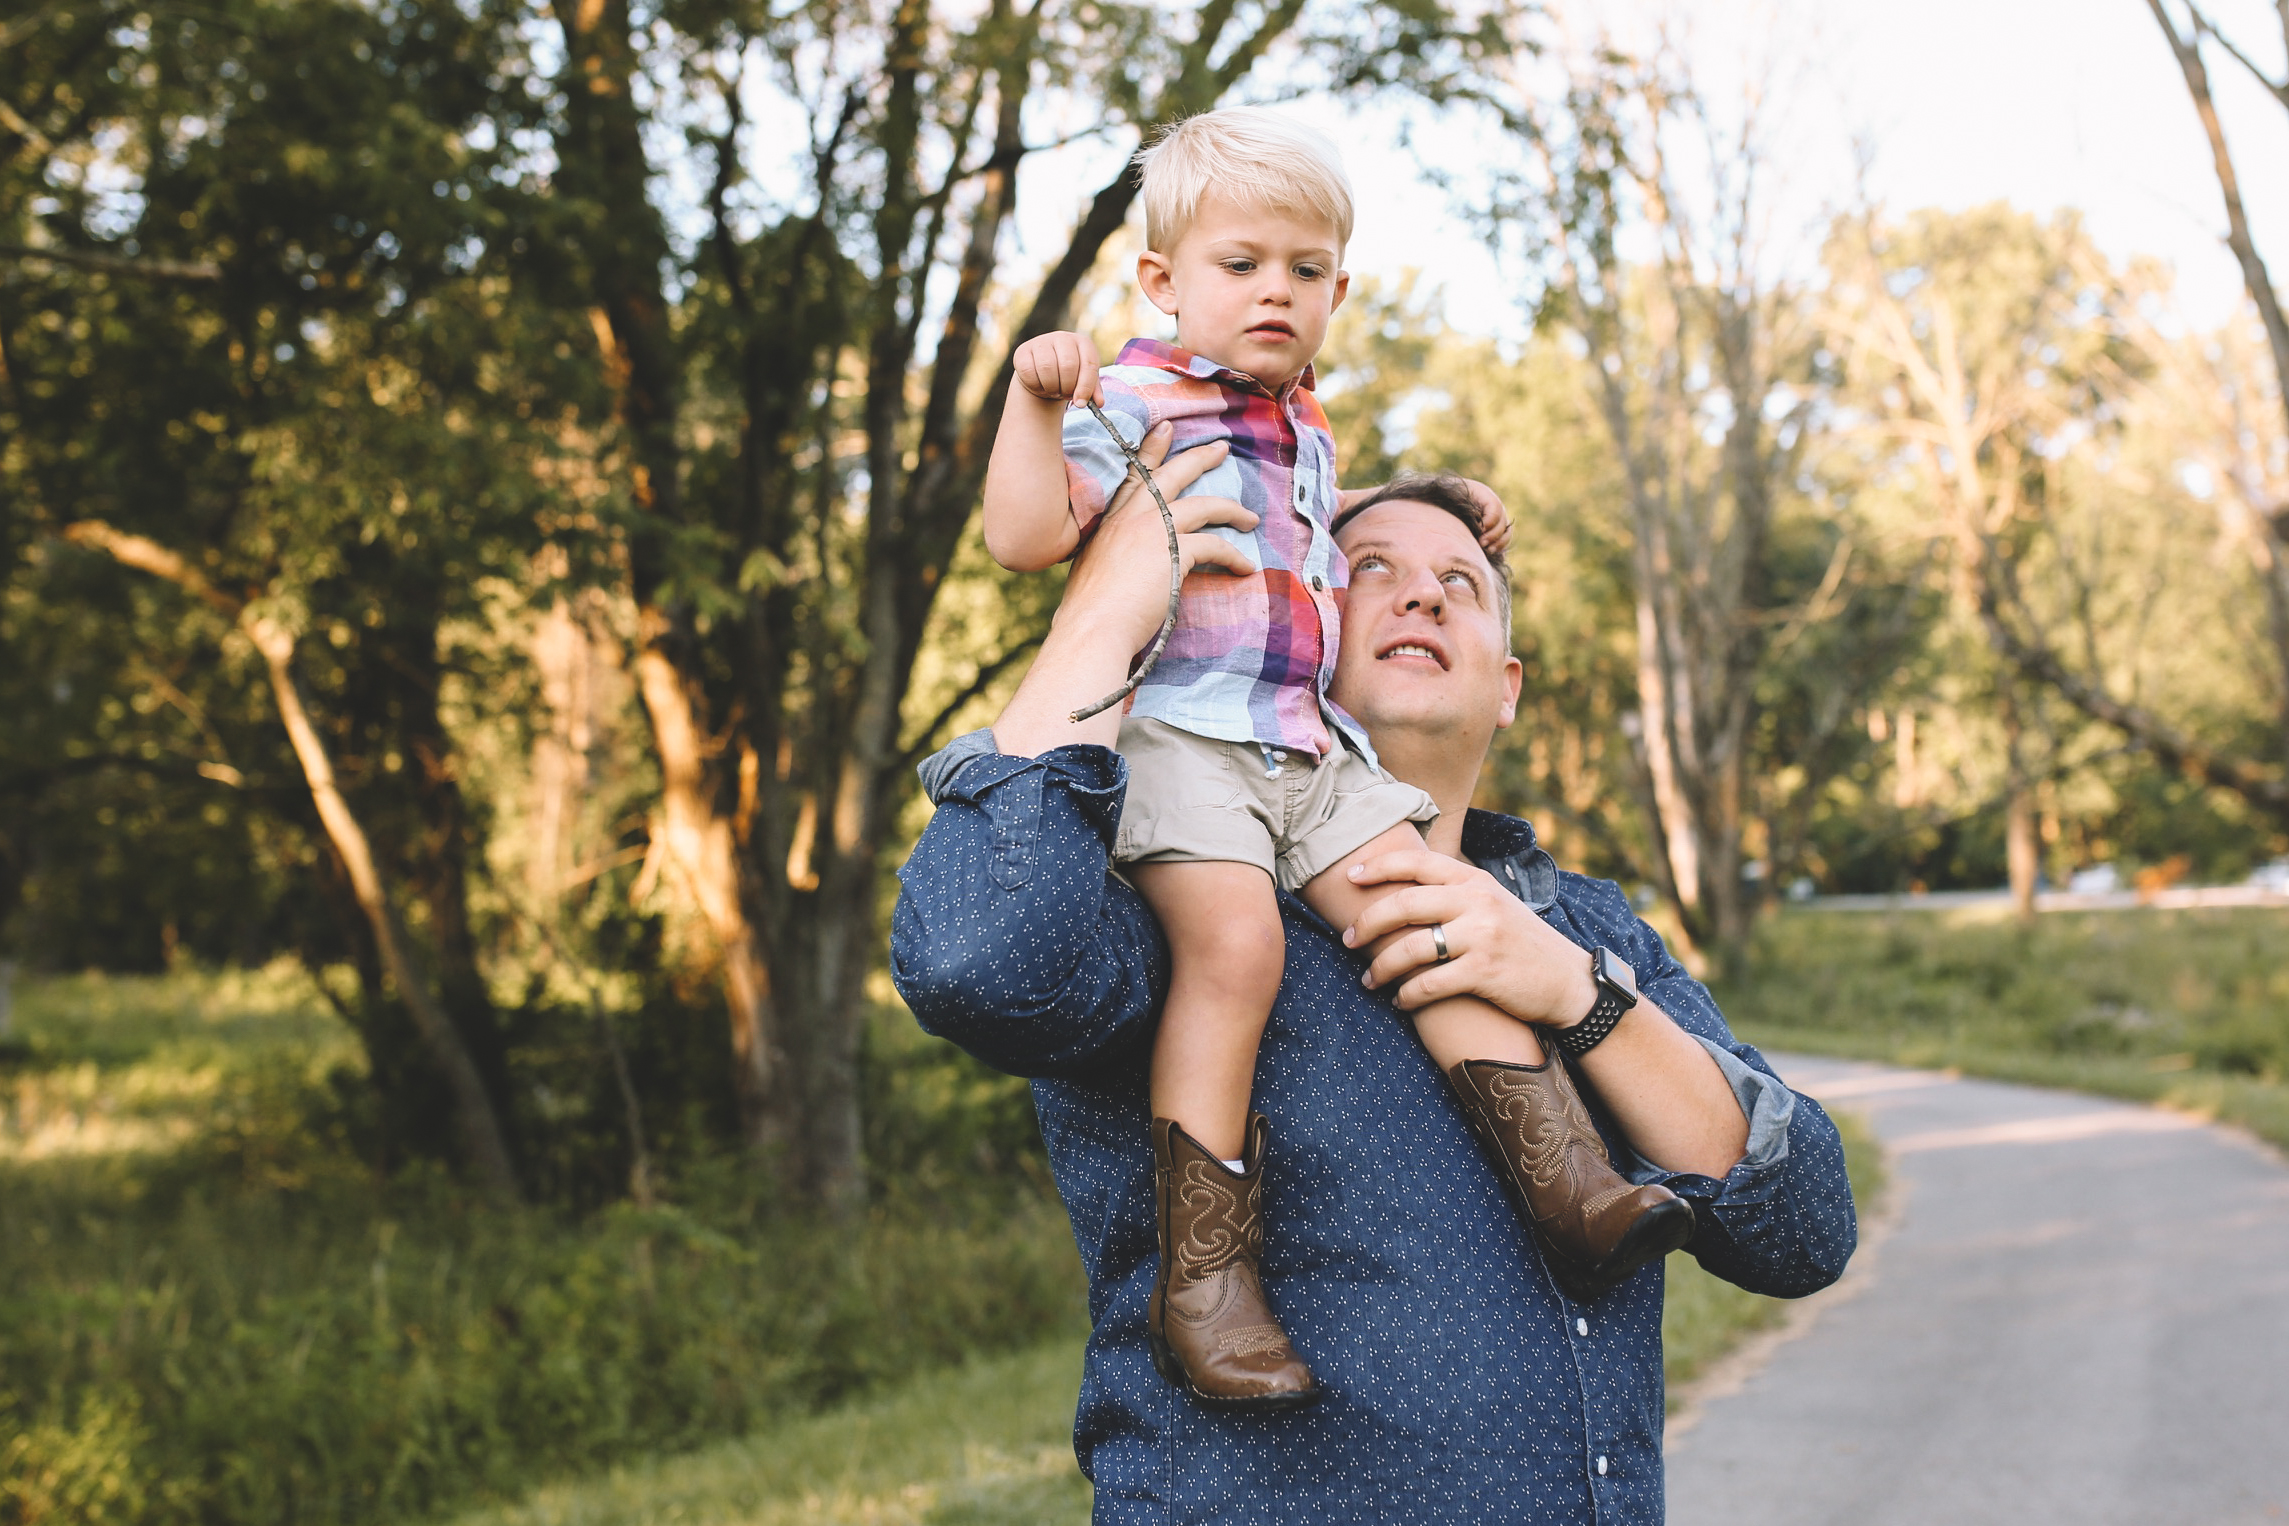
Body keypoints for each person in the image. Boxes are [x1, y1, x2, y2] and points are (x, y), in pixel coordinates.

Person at [892, 435, 1858, 1523]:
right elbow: (977, 958)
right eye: (1367, 574)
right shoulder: (1178, 913)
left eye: (1462, 586)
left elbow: (1802, 1229)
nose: (1423, 599)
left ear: (1508, 687)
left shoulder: (1586, 927)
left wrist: (1574, 992)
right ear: (1285, 633)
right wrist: (1105, 614)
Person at [977, 106, 1692, 1413]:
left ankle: (1569, 1179)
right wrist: (1033, 404)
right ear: (1161, 281)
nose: (1275, 291)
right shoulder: (1128, 398)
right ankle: (1206, 1280)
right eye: (1242, 263)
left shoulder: (1299, 422)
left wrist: (1426, 502)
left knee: (1431, 903)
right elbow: (1026, 538)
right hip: (1185, 736)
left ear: (1338, 290)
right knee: (1235, 949)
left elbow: (1313, 529)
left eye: (1305, 271)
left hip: (1305, 750)